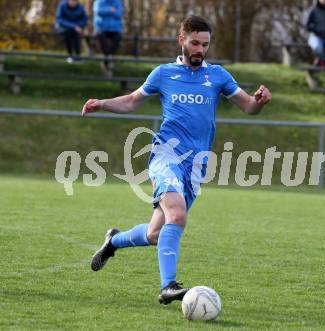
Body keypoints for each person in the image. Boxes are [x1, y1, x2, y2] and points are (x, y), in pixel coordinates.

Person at [82, 15, 271, 305]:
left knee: (156, 233)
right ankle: (167, 286)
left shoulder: (218, 76)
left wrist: (258, 101)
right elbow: (132, 101)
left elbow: (248, 106)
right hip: (165, 155)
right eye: (195, 43)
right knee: (177, 215)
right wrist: (102, 103)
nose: (200, 50)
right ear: (182, 40)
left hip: (196, 166)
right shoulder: (163, 73)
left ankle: (114, 241)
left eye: (205, 45)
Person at [93, 0, 124, 70]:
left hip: (115, 29)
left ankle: (107, 59)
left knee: (118, 37)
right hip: (101, 28)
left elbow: (119, 13)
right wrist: (110, 10)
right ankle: (110, 58)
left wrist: (105, 12)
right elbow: (98, 11)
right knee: (101, 36)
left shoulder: (117, 2)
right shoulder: (98, 2)